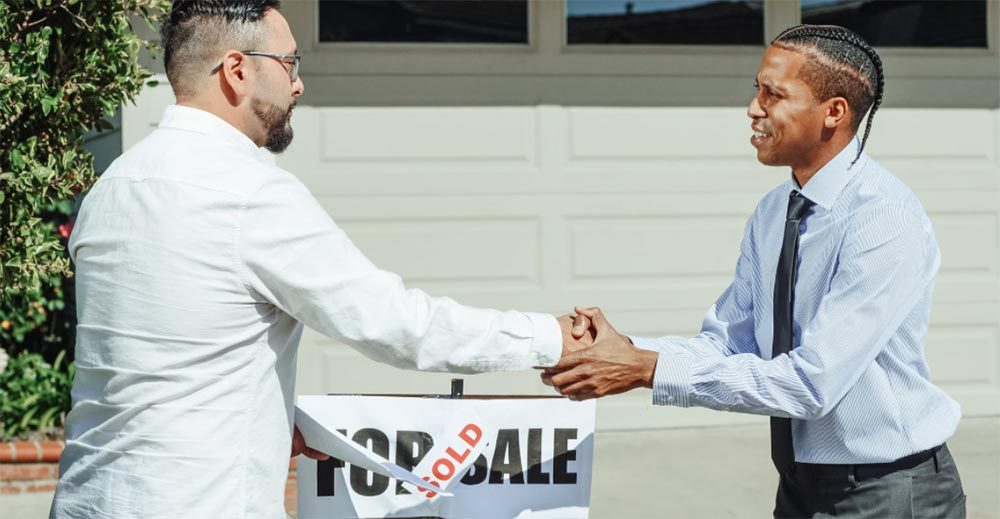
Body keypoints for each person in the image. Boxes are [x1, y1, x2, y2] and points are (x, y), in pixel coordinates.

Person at [49, 2, 590, 517]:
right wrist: (555, 338)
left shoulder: (112, 187)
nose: (299, 83)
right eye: (289, 64)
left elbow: (149, 356)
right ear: (236, 70)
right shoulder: (250, 192)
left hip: (87, 498)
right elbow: (398, 325)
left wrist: (267, 421)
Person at [546, 24, 966, 518]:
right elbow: (727, 342)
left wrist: (645, 370)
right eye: (756, 89)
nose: (753, 108)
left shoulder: (883, 219)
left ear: (834, 112)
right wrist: (624, 351)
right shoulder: (775, 212)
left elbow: (811, 385)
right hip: (801, 486)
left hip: (888, 490)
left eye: (774, 94)